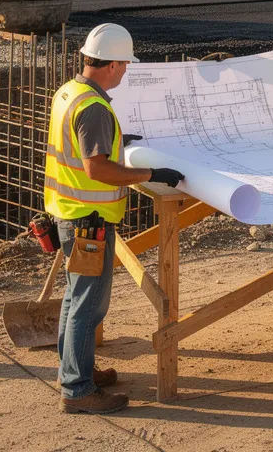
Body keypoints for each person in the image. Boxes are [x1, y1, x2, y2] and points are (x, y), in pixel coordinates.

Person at [45, 23, 184, 415]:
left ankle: (74, 369)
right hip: (89, 219)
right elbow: (96, 169)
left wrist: (120, 141)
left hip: (69, 213)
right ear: (109, 65)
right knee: (89, 305)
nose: (126, 71)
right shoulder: (94, 108)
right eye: (124, 64)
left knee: (76, 299)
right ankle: (77, 390)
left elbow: (84, 147)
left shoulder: (70, 92)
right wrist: (149, 175)